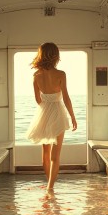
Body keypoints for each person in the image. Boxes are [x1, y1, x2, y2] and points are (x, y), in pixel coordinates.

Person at [26, 42, 77, 191]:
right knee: (56, 154)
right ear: (55, 55)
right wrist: (72, 116)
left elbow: (37, 100)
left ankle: (49, 184)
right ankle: (50, 188)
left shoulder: (36, 75)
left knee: (45, 153)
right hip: (57, 112)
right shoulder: (61, 74)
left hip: (43, 112)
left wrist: (46, 105)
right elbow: (66, 97)